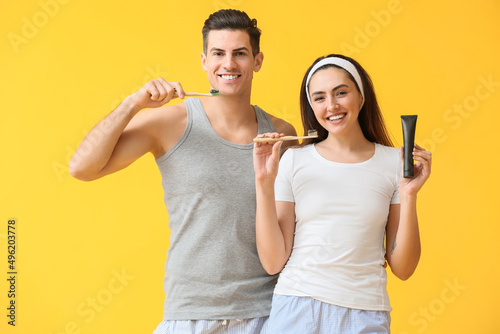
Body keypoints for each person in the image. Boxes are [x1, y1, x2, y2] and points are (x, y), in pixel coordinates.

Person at [69, 9, 296, 334]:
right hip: (190, 314)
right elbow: (81, 168)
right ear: (204, 60)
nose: (228, 64)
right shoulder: (169, 123)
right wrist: (132, 104)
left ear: (257, 61)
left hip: (268, 314)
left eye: (240, 54)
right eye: (218, 53)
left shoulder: (282, 135)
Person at [253, 54, 432, 333]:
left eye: (341, 93)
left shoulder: (392, 163)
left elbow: (404, 268)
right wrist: (264, 182)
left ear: (361, 97)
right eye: (320, 97)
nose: (332, 105)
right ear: (312, 106)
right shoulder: (294, 160)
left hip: (366, 313)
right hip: (297, 307)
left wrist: (409, 195)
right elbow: (273, 261)